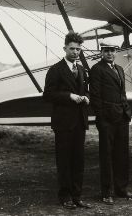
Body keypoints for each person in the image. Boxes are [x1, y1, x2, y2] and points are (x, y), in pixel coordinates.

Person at [43, 32, 92, 209]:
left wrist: (86, 97)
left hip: (79, 121)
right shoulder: (55, 70)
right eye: (72, 48)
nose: (75, 52)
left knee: (79, 160)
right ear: (64, 48)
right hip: (63, 123)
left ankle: (77, 196)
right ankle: (65, 197)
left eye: (78, 49)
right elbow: (47, 95)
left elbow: (86, 89)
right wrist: (70, 96)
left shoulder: (81, 69)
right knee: (64, 161)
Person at [89, 42, 132, 205]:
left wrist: (127, 112)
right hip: (107, 121)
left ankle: (121, 190)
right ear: (101, 52)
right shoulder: (96, 70)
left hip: (121, 118)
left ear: (116, 52)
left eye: (112, 50)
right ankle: (106, 192)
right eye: (106, 51)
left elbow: (122, 93)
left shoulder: (120, 69)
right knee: (107, 156)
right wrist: (102, 119)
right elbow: (95, 97)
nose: (109, 53)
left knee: (122, 155)